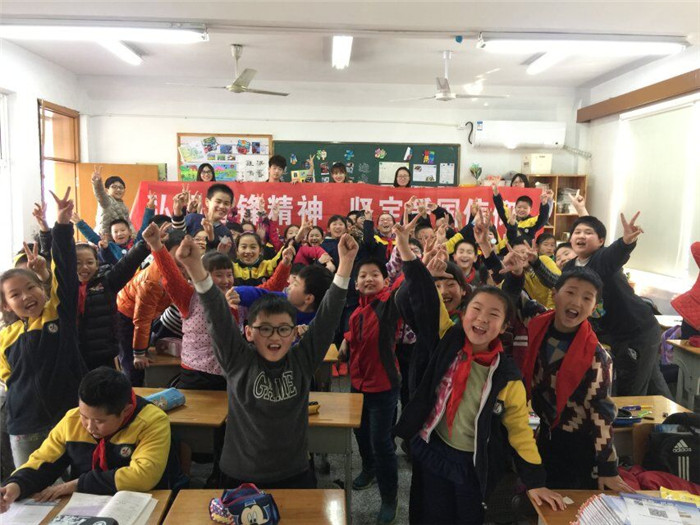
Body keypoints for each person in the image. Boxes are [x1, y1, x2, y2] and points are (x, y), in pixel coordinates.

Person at [393, 220, 565, 524]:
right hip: (433, 448)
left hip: (471, 463)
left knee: (467, 516)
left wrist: (535, 480)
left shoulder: (506, 376)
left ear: (505, 326)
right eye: (476, 310)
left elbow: (519, 430)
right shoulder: (448, 338)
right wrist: (405, 249)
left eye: (493, 315)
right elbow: (424, 297)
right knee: (428, 513)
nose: (482, 319)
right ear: (463, 314)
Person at [174, 231, 358, 489]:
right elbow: (217, 316)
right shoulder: (237, 360)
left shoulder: (302, 360)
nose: (275, 337)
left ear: (294, 333)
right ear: (249, 332)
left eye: (283, 329)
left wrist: (346, 264)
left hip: (294, 472)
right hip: (239, 474)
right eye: (265, 329)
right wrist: (195, 267)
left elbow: (328, 317)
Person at [506, 267, 635, 492]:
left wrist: (607, 467)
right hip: (547, 432)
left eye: (587, 298)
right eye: (571, 292)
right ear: (555, 294)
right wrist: (514, 273)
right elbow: (515, 300)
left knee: (569, 499)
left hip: (579, 444)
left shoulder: (597, 356)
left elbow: (601, 411)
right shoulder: (538, 321)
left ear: (594, 308)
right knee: (541, 493)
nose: (577, 302)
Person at [0, 367, 176, 509]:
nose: (89, 427)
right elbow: (43, 460)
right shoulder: (72, 420)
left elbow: (143, 475)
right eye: (84, 416)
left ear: (126, 411)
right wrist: (17, 485)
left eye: (99, 421)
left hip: (142, 503)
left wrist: (77, 484)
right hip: (85, 505)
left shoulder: (151, 421)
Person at [0, 188, 87, 467]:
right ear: (5, 305)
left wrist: (61, 225)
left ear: (42, 287)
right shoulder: (5, 338)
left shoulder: (57, 315)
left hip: (69, 420)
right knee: (28, 486)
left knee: (74, 486)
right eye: (15, 294)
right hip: (25, 427)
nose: (26, 296)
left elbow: (65, 272)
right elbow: (8, 380)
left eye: (31, 287)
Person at [564, 214, 672, 397]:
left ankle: (645, 415)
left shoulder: (601, 259)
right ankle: (677, 415)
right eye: (577, 232)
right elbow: (560, 285)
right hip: (616, 334)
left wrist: (626, 241)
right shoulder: (570, 267)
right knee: (654, 387)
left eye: (588, 232)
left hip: (636, 331)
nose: (581, 236)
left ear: (600, 241)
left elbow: (615, 254)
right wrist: (535, 263)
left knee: (630, 392)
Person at [340, 253, 406, 524]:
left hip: (384, 386)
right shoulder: (357, 311)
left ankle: (389, 497)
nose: (368, 279)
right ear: (356, 284)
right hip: (357, 383)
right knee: (360, 431)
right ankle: (369, 469)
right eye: (363, 276)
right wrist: (346, 340)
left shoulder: (389, 304)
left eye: (375, 275)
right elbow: (356, 332)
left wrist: (413, 254)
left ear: (385, 281)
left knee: (382, 443)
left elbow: (404, 282)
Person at [116, 228, 186, 386]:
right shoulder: (152, 282)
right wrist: (139, 354)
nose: (183, 261)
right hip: (126, 313)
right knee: (132, 364)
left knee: (143, 353)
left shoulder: (183, 269)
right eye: (178, 258)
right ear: (164, 254)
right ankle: (131, 392)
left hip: (149, 314)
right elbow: (142, 320)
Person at [75, 237, 151, 370]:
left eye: (89, 262)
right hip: (75, 355)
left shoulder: (106, 282)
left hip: (104, 354)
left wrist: (144, 246)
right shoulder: (64, 287)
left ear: (97, 264)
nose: (84, 267)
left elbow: (126, 265)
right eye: (78, 263)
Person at [91, 166, 133, 237]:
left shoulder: (123, 206)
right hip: (103, 239)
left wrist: (134, 236)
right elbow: (100, 193)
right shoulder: (106, 201)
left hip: (117, 238)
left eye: (121, 187)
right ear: (106, 190)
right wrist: (97, 182)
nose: (118, 190)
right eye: (114, 187)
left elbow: (128, 224)